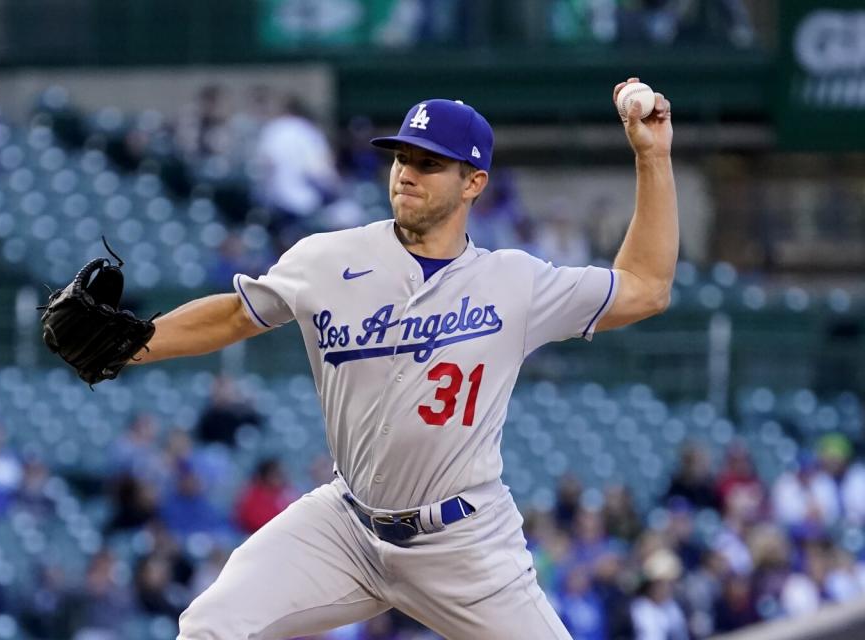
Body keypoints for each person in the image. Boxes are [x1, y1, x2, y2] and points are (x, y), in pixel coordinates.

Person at [133, 79, 677, 639]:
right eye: (401, 157)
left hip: (463, 542)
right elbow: (234, 315)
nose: (407, 172)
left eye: (430, 163)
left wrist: (651, 155)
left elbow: (645, 287)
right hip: (345, 525)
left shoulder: (515, 282)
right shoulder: (327, 258)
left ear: (474, 182)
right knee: (210, 626)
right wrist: (132, 344)